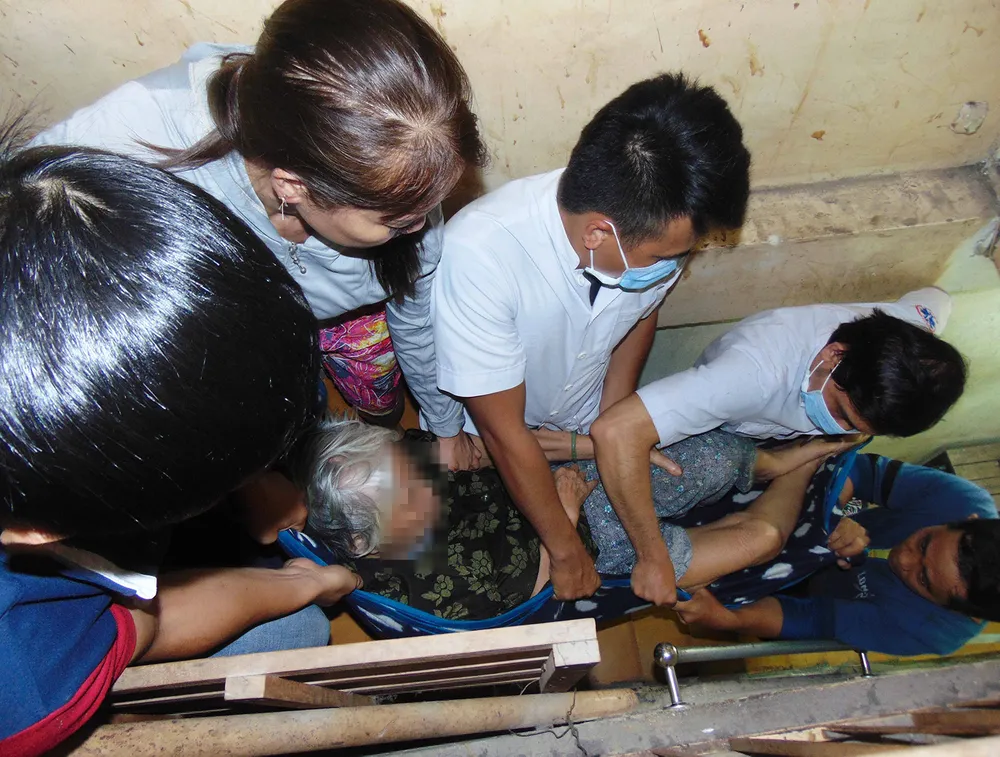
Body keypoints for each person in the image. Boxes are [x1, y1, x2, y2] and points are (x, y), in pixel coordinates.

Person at [0, 135, 361, 755]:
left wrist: (250, 479)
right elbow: (148, 624)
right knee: (300, 629)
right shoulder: (28, 677)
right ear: (40, 530)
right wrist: (301, 586)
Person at [31, 0, 488, 446]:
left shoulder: (400, 183)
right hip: (232, 342)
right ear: (292, 187)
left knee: (380, 402)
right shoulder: (133, 141)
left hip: (350, 325)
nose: (424, 227)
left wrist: (444, 424)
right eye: (399, 221)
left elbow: (415, 319)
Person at [432, 72, 752, 600]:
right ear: (598, 232)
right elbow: (505, 435)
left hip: (586, 420)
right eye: (663, 258)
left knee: (708, 467)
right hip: (497, 444)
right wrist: (566, 551)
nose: (671, 267)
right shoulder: (481, 256)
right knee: (498, 572)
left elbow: (641, 314)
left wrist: (614, 423)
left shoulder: (649, 230)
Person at [279, 415, 865, 621]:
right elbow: (538, 594)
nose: (428, 484)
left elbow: (483, 448)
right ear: (366, 540)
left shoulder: (377, 466)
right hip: (591, 544)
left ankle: (779, 462)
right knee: (761, 539)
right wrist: (565, 511)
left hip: (555, 478)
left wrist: (591, 449)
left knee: (720, 456)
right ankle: (807, 470)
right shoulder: (425, 590)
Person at [590, 289, 967, 606]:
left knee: (763, 534)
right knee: (729, 487)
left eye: (858, 429)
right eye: (841, 413)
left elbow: (938, 298)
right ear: (834, 355)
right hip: (729, 424)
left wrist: (809, 453)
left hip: (745, 453)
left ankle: (795, 460)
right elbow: (615, 431)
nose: (840, 430)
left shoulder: (911, 342)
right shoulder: (749, 376)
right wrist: (651, 553)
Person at [675, 454, 1000, 657]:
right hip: (804, 519)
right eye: (924, 543)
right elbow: (863, 471)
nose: (904, 560)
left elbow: (813, 617)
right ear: (969, 519)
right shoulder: (961, 499)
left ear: (958, 611)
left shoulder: (935, 632)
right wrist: (829, 511)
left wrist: (726, 619)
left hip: (804, 596)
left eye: (923, 580)